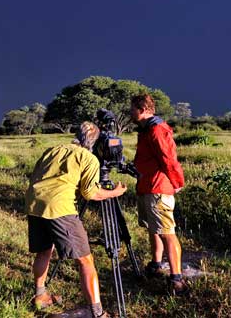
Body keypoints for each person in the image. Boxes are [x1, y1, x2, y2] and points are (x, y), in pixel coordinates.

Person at [25, 122, 127, 318]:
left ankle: (40, 295)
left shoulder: (52, 149)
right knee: (85, 260)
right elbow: (90, 193)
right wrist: (115, 192)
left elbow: (37, 174)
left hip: (34, 203)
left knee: (44, 251)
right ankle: (97, 313)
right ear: (96, 143)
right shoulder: (89, 159)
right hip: (59, 208)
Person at [130, 93, 189, 295]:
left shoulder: (156, 130)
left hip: (158, 188)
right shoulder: (146, 130)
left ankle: (176, 279)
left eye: (132, 109)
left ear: (143, 110)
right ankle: (156, 264)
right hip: (147, 186)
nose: (130, 113)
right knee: (154, 229)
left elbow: (169, 159)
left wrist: (177, 182)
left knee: (166, 232)